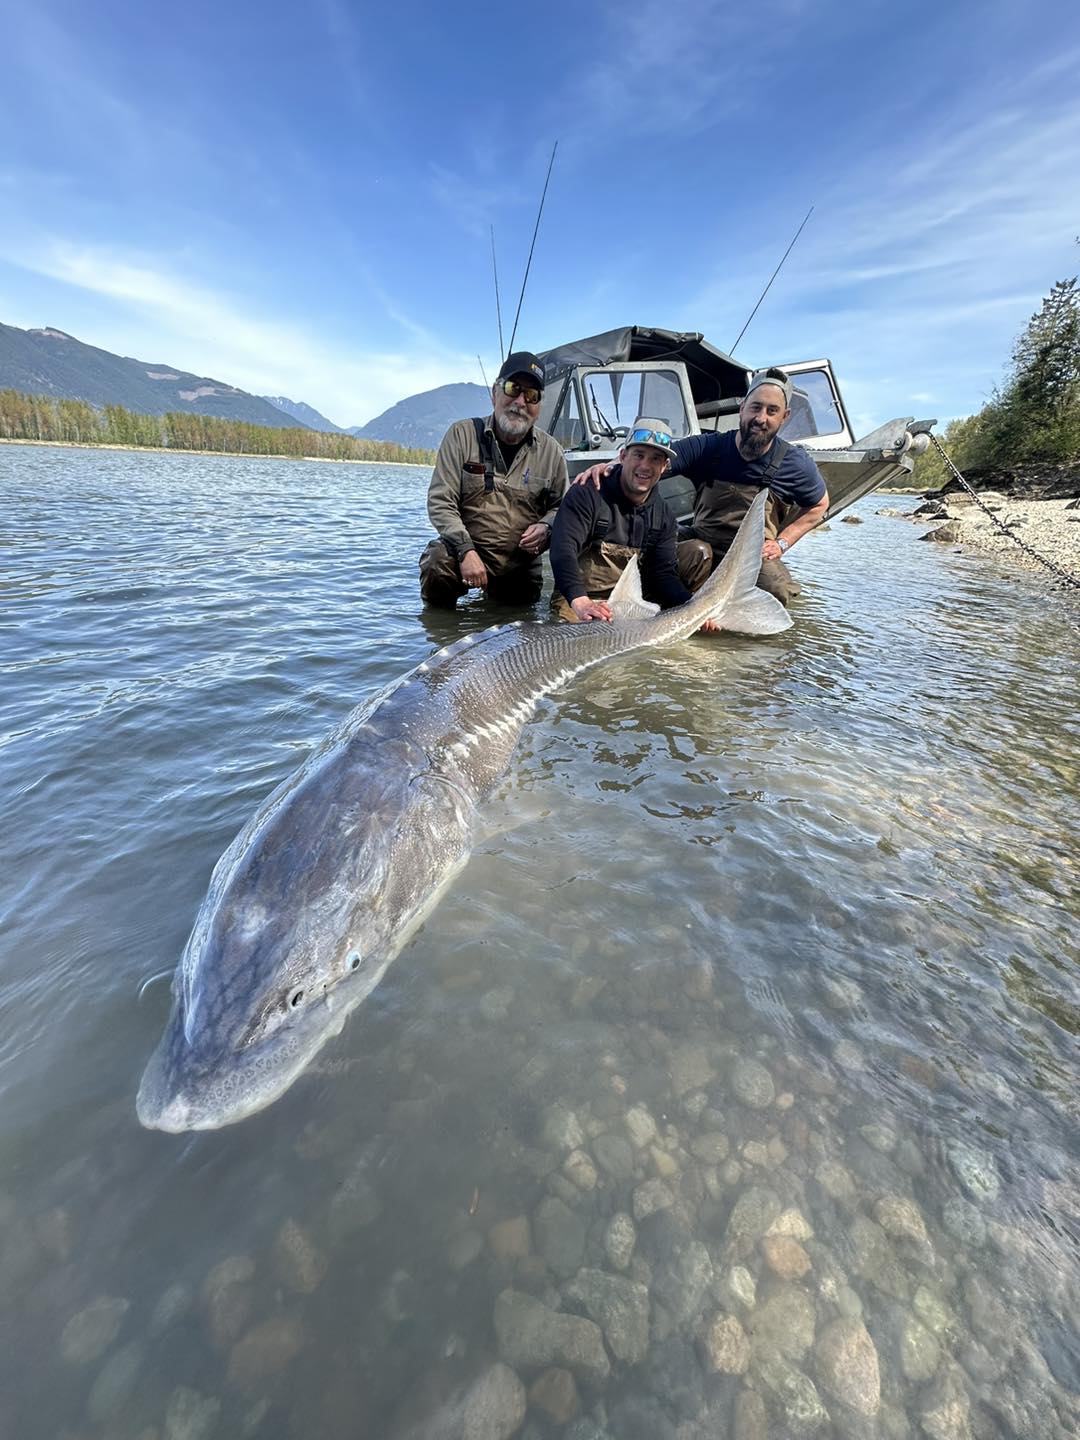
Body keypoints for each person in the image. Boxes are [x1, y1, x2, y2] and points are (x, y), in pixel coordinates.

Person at [575, 368, 829, 606]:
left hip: (751, 554)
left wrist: (783, 542)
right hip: (703, 538)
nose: (761, 418)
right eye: (755, 407)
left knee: (776, 591)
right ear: (742, 408)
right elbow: (651, 461)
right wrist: (608, 467)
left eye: (772, 411)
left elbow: (819, 505)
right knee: (650, 548)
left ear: (784, 417)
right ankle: (655, 605)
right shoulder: (710, 447)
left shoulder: (795, 462)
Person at [419, 352, 569, 608]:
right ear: (495, 393)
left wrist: (547, 526)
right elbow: (441, 502)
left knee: (522, 623)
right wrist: (466, 551)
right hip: (462, 553)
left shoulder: (552, 451)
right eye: (513, 388)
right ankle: (441, 634)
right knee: (437, 565)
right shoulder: (461, 434)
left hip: (518, 564)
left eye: (532, 395)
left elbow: (563, 508)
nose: (521, 402)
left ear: (538, 406)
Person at [549, 417, 716, 628]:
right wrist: (580, 602)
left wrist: (693, 608)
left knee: (697, 552)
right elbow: (562, 550)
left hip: (629, 599)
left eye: (656, 459)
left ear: (664, 467)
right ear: (622, 456)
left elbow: (663, 574)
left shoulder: (663, 514)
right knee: (569, 640)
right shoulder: (587, 492)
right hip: (582, 595)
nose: (645, 466)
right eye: (639, 455)